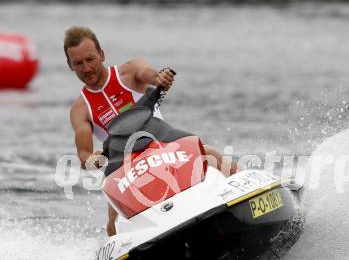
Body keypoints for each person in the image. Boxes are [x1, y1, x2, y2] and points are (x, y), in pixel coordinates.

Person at [65, 26, 239, 237]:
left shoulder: (129, 72)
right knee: (114, 218)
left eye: (90, 59)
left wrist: (161, 78)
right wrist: (97, 160)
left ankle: (251, 191)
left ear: (102, 54)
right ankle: (121, 259)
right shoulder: (80, 109)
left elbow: (151, 76)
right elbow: (84, 156)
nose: (86, 68)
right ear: (70, 66)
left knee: (210, 155)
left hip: (163, 145)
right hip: (124, 167)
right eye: (78, 63)